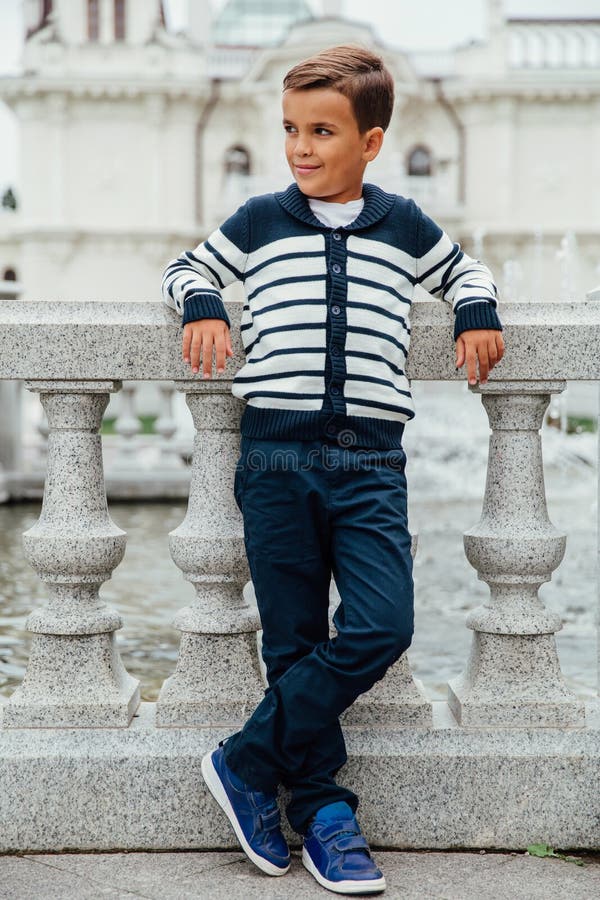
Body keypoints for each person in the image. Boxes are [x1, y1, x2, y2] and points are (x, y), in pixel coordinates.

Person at [161, 44, 504, 895]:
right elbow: (185, 268)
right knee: (292, 644)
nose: (301, 148)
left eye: (322, 131)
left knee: (383, 625)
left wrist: (477, 311)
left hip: (371, 465)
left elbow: (467, 270)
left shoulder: (403, 224)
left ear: (372, 142)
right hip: (274, 458)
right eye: (290, 129)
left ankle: (244, 761)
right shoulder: (259, 219)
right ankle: (324, 813)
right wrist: (203, 303)